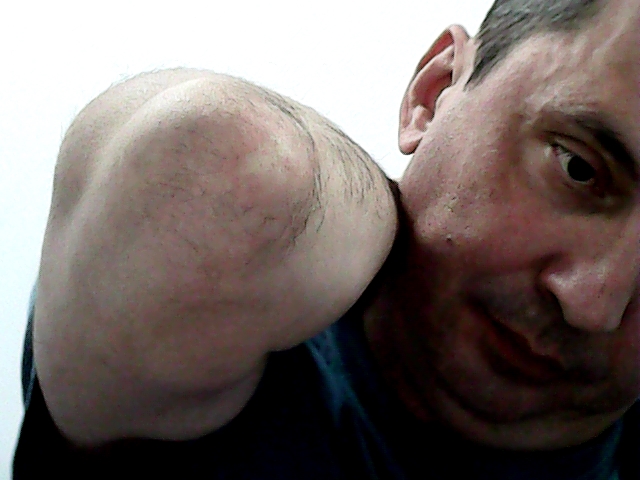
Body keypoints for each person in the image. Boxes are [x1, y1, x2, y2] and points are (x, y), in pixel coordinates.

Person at [12, 0, 640, 477]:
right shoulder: (241, 332)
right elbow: (204, 168)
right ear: (434, 92)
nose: (594, 305)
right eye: (579, 169)